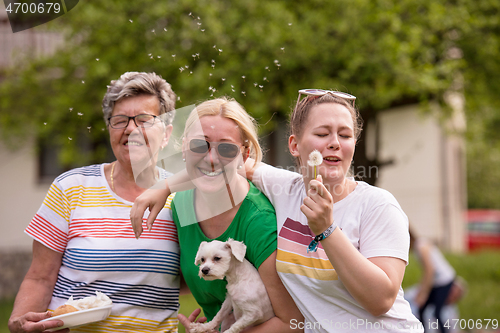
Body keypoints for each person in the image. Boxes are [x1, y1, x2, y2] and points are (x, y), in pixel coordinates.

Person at [131, 89, 424, 333]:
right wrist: (165, 187)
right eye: (323, 133)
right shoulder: (284, 187)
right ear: (295, 145)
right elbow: (221, 165)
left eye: (344, 135)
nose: (334, 142)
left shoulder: (378, 205)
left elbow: (381, 300)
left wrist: (327, 230)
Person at [8, 72, 180, 333]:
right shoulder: (71, 187)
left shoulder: (181, 196)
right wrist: (21, 320)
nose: (131, 129)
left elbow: (197, 275)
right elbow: (40, 277)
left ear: (166, 134)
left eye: (144, 120)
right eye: (120, 121)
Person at [133, 97, 303, 332]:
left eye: (226, 148)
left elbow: (293, 323)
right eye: (199, 145)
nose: (211, 159)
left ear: (244, 155)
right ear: (184, 147)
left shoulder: (257, 220)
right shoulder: (180, 205)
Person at [409, 227, 457, 333]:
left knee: (437, 312)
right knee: (422, 309)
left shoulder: (420, 246)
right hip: (437, 282)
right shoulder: (421, 243)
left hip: (444, 280)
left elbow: (430, 271)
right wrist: (421, 290)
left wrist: (424, 293)